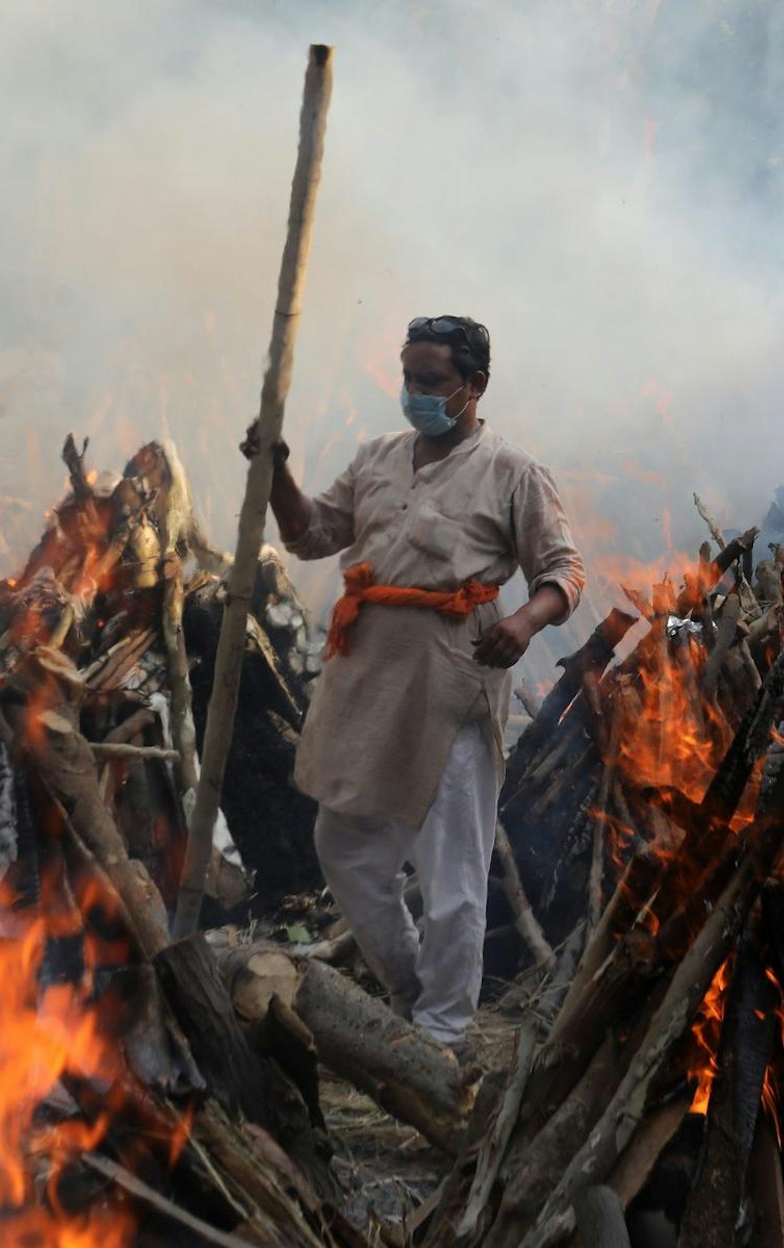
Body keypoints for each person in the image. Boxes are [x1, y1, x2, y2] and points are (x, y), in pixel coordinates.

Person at [243, 314, 585, 1048]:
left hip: (451, 684)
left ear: (475, 385)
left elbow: (563, 573)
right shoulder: (377, 458)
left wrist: (523, 623)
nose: (415, 392)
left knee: (452, 872)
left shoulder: (512, 472)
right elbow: (311, 535)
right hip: (366, 679)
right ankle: (407, 986)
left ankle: (441, 1033)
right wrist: (277, 474)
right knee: (342, 843)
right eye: (409, 377)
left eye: (431, 381)